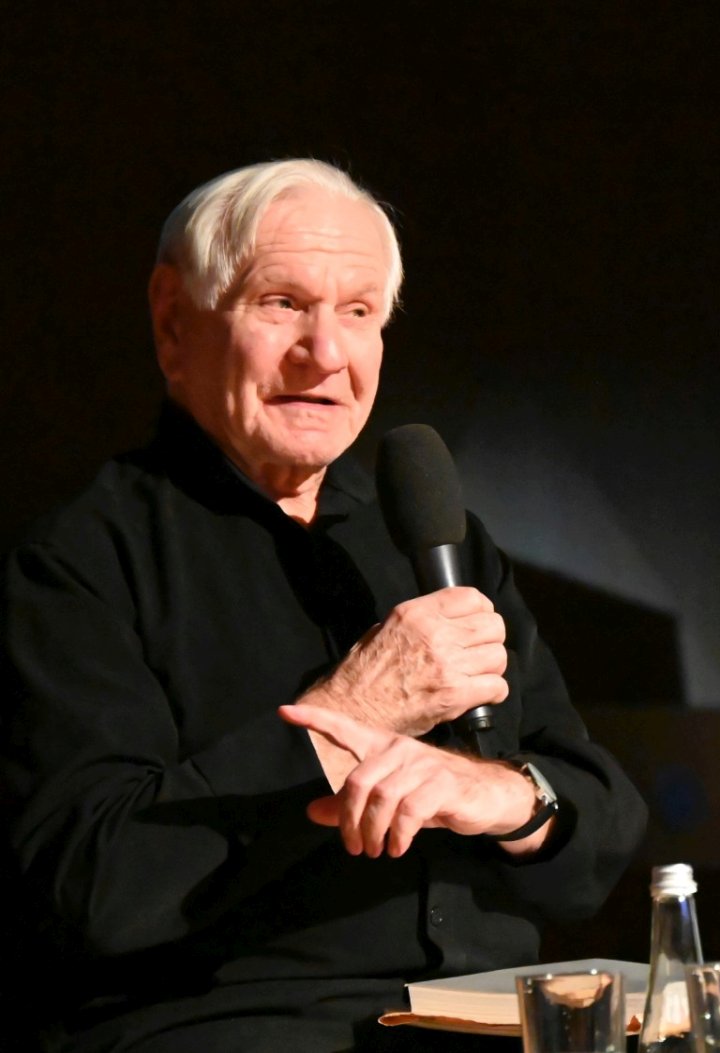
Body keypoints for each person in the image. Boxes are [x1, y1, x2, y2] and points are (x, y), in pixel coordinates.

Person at [1, 159, 647, 1051]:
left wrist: (506, 796)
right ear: (174, 318)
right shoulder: (76, 563)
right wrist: (348, 718)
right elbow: (87, 886)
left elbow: (599, 829)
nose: (328, 353)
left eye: (358, 312)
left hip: (492, 1017)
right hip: (233, 1028)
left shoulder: (436, 541)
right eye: (282, 304)